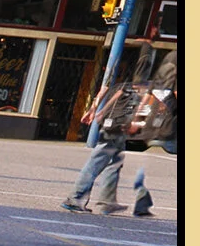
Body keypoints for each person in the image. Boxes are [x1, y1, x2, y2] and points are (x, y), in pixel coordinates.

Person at [64, 47, 174, 214]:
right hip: (120, 126)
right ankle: (75, 198)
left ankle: (107, 201)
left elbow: (106, 92)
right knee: (97, 160)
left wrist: (96, 111)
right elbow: (152, 102)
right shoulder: (151, 86)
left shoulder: (124, 83)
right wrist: (138, 121)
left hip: (111, 123)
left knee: (114, 163)